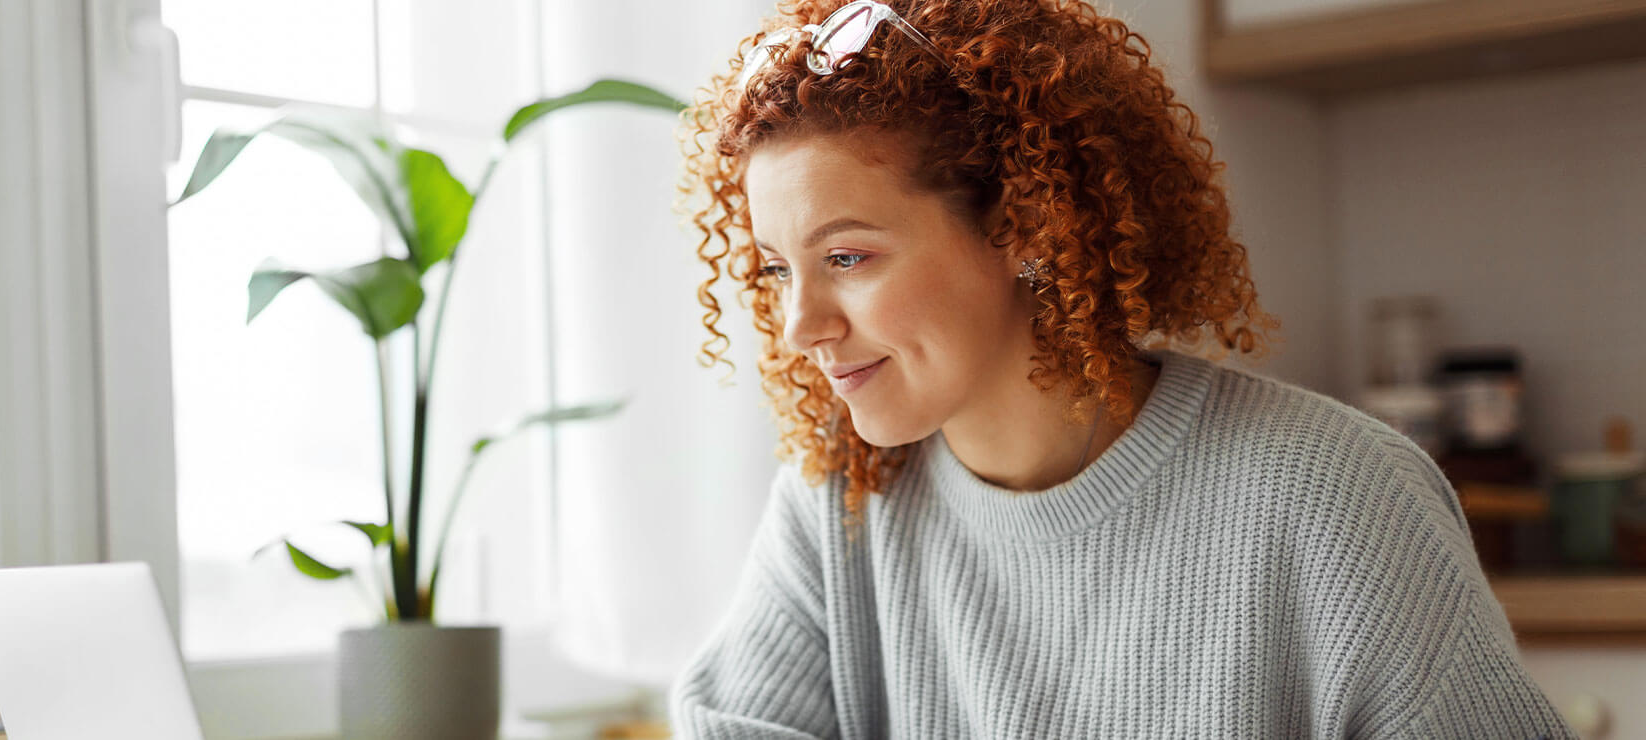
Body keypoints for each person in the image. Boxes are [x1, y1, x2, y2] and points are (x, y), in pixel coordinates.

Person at [665, 1, 1578, 737]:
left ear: (1021, 225)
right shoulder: (842, 500)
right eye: (776, 268)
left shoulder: (1335, 497)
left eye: (849, 258)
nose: (798, 328)